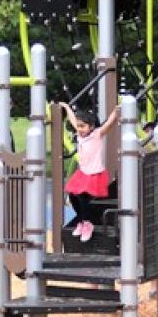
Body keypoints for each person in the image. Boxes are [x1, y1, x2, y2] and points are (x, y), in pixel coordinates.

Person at [59, 102, 120, 242]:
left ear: (91, 127)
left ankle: (88, 224)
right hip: (83, 174)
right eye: (78, 126)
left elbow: (108, 125)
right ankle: (81, 221)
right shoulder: (80, 135)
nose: (79, 129)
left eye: (83, 126)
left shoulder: (96, 134)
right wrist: (67, 108)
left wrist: (115, 113)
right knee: (73, 196)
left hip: (94, 174)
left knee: (82, 197)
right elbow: (73, 120)